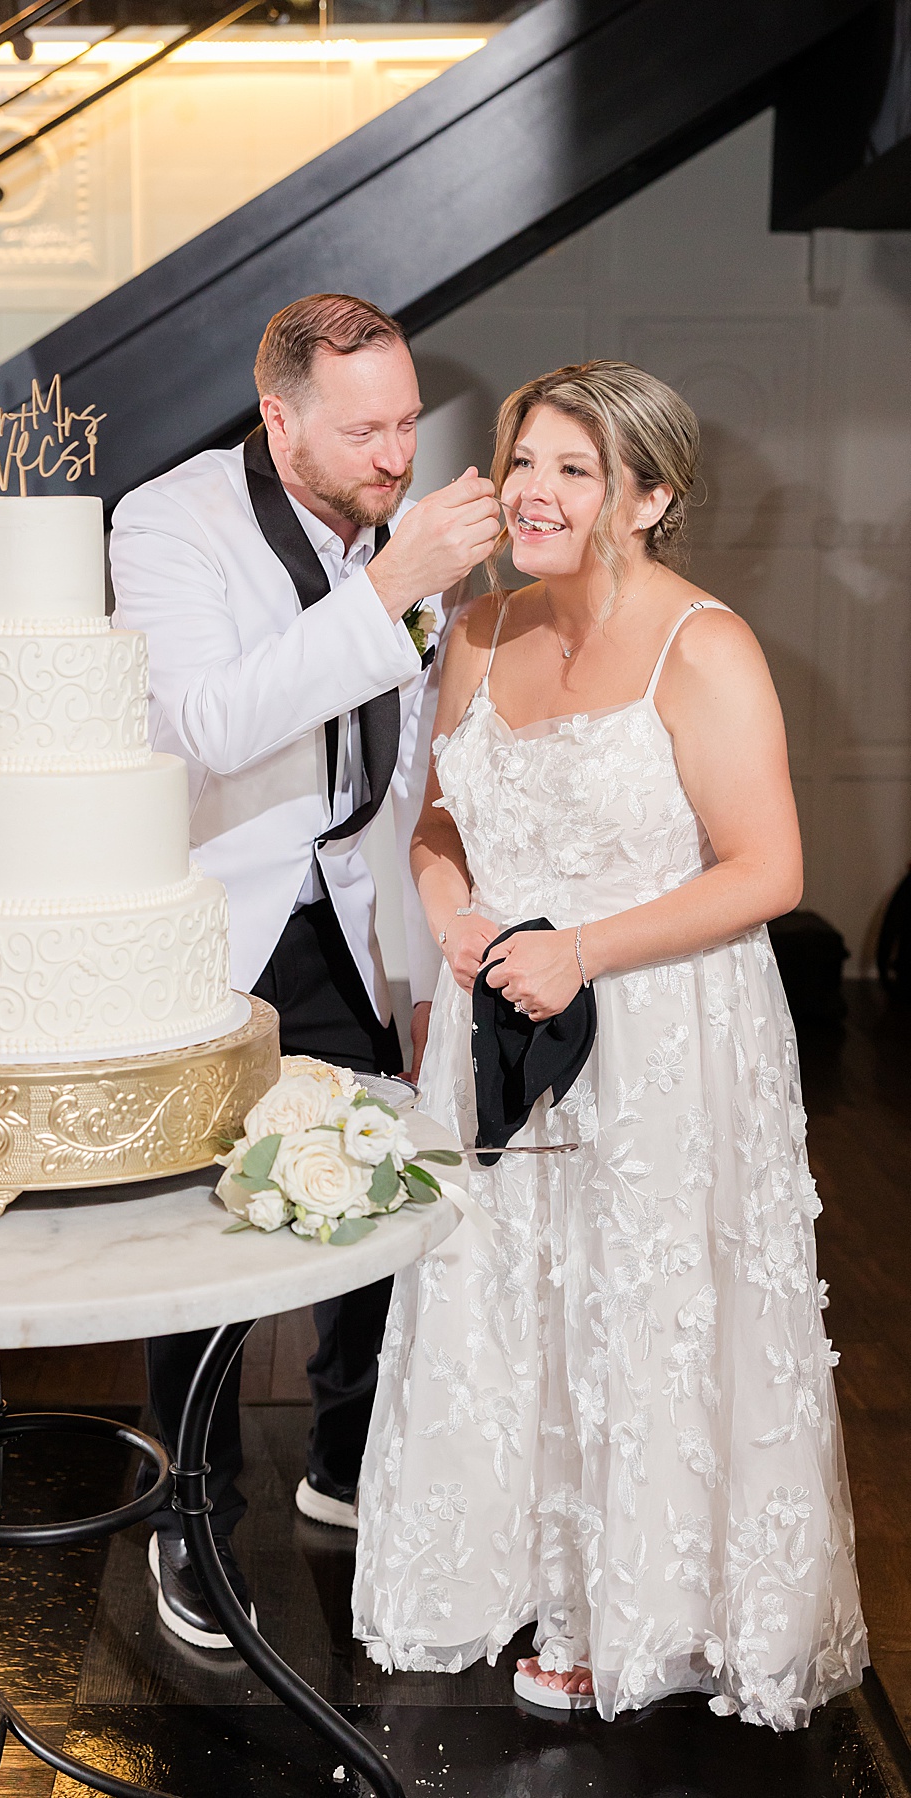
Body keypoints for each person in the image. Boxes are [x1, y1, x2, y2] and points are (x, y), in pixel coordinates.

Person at [352, 360, 867, 1724]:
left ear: (648, 498)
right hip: (499, 1024)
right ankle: (509, 1562)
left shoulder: (708, 646)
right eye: (525, 459)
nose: (533, 489)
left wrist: (580, 947)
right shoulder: (471, 631)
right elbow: (437, 822)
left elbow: (767, 867)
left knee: (631, 1305)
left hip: (659, 1026)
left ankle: (630, 1601)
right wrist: (456, 915)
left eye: (574, 469)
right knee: (506, 1292)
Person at [107, 293, 499, 1649]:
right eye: (365, 431)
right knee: (202, 1232)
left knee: (376, 1188)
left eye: (405, 425)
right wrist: (393, 589)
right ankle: (191, 1513)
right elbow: (209, 724)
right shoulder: (168, 522)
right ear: (279, 418)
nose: (397, 456)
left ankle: (346, 1456)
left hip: (353, 900)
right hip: (220, 913)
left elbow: (410, 743)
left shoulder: (404, 523)